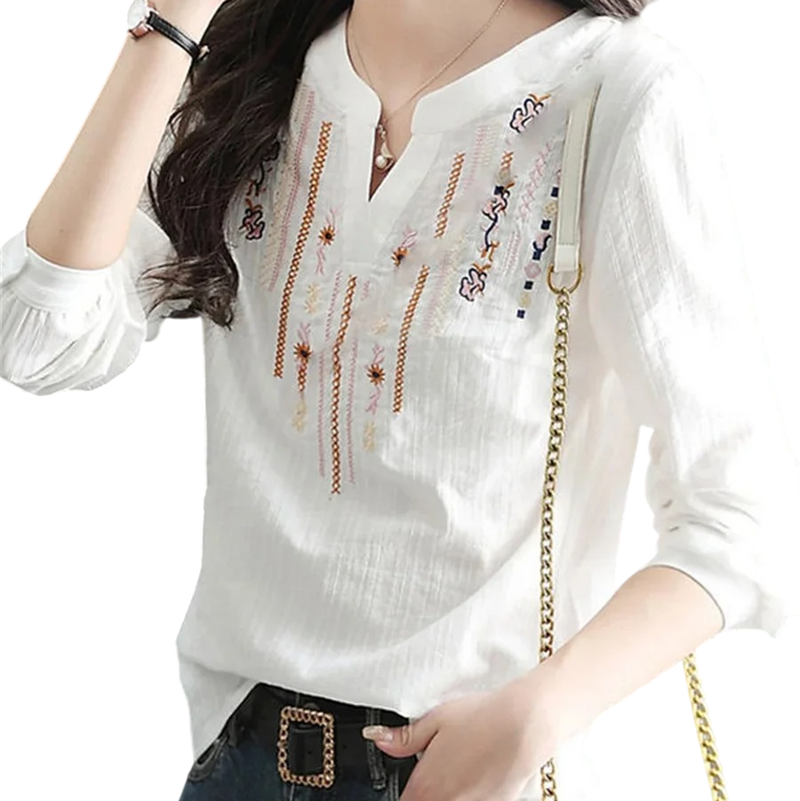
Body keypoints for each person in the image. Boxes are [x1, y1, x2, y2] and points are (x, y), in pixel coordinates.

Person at [0, 1, 795, 800]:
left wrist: (534, 716)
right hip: (239, 761)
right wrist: (174, 23)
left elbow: (739, 518)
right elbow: (38, 335)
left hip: (465, 774)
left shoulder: (617, 93)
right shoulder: (250, 68)